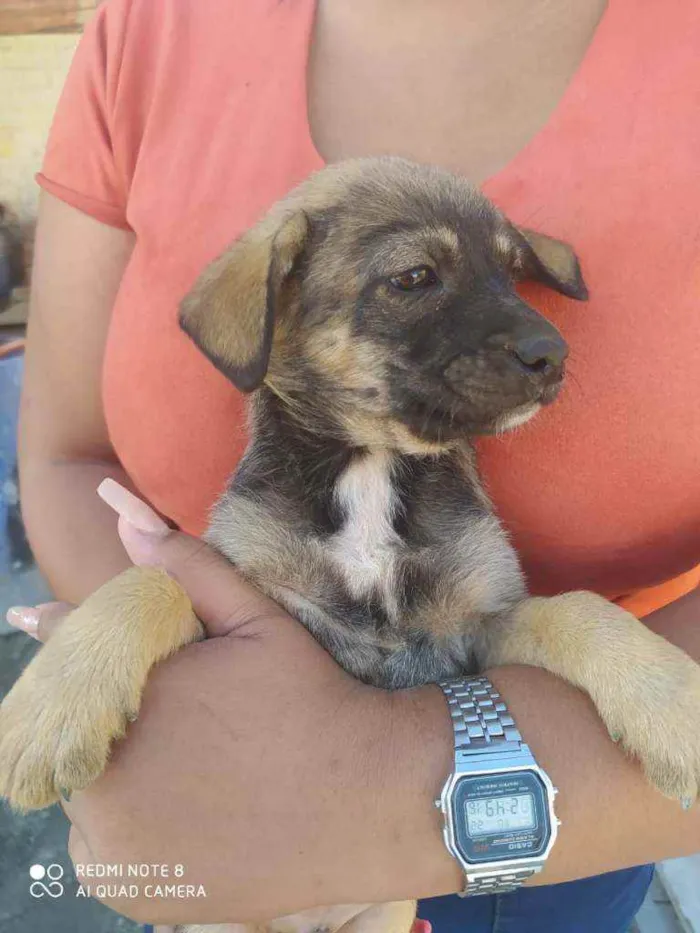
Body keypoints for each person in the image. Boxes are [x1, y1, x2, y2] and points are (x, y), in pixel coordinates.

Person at [7, 0, 700, 930]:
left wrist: (619, 658)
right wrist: (129, 634)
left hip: (579, 822)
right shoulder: (148, 31)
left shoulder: (453, 508)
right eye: (415, 281)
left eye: (505, 276)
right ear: (273, 310)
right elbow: (134, 529)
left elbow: (500, 626)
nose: (537, 340)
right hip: (236, 822)